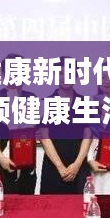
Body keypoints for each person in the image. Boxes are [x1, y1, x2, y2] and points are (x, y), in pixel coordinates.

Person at [39, 57, 91, 194]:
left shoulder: (85, 102)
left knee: (81, 206)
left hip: (79, 167)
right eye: (61, 73)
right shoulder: (45, 102)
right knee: (51, 206)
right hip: (53, 167)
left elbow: (88, 135)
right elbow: (44, 137)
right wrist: (60, 167)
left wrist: (77, 165)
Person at [0, 53, 37, 195]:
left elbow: (35, 130)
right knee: (2, 204)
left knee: (28, 205)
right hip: (2, 163)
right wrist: (1, 157)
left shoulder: (31, 98)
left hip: (27, 164)